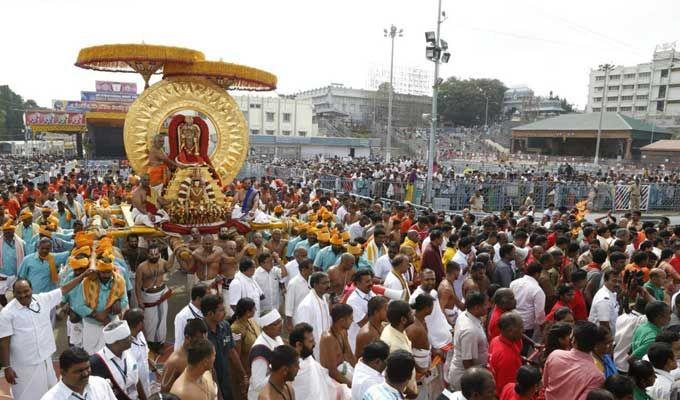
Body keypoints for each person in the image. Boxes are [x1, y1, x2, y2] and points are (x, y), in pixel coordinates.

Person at [0, 272, 93, 400]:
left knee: (52, 394)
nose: (23, 295)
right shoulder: (7, 313)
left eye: (26, 291)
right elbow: (4, 342)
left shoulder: (43, 299)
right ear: (13, 293)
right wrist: (7, 367)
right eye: (18, 293)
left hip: (45, 359)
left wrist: (83, 275)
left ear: (31, 290)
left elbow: (64, 289)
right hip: (24, 365)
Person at [72, 258, 128, 355]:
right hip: (92, 325)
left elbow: (124, 300)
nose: (106, 275)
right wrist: (96, 315)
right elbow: (78, 306)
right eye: (103, 272)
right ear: (98, 271)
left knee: (113, 352)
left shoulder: (119, 281)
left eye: (108, 272)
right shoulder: (86, 283)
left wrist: (112, 307)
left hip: (111, 321)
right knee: (92, 354)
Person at [543, 321, 606, 400]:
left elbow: (545, 384)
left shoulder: (555, 355)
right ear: (595, 344)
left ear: (573, 340)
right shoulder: (598, 376)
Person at [201, 293, 248, 400]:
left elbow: (231, 351)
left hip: (226, 380)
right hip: (209, 384)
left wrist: (242, 374)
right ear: (210, 314)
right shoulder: (201, 333)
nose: (225, 312)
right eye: (221, 310)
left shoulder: (225, 326)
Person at [290, 322, 350, 400]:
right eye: (310, 341)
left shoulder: (309, 360)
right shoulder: (292, 368)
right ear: (299, 345)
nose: (314, 344)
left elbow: (325, 383)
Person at [410, 269, 454, 374]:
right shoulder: (415, 299)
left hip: (446, 339)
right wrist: (433, 348)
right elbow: (419, 326)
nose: (430, 282)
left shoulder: (434, 292)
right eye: (427, 279)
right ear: (420, 279)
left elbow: (439, 314)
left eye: (433, 279)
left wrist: (449, 328)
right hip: (435, 346)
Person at [89, 320, 145, 400]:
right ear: (115, 342)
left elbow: (137, 380)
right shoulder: (96, 363)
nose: (131, 340)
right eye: (127, 338)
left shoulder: (129, 351)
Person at [447, 291, 489, 391]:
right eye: (485, 305)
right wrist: (475, 385)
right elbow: (467, 362)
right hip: (465, 378)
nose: (488, 306)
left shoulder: (465, 315)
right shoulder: (470, 331)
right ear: (476, 308)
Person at [135, 243, 172, 353]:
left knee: (162, 321)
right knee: (149, 322)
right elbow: (137, 285)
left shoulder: (163, 263)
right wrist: (139, 300)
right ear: (147, 254)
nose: (154, 256)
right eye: (151, 254)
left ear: (159, 254)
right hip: (148, 297)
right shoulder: (142, 267)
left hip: (161, 294)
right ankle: (150, 344)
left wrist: (174, 253)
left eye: (156, 254)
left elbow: (171, 267)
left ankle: (160, 343)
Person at [40, 346, 117, 400]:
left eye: (87, 368)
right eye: (79, 371)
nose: (85, 373)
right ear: (63, 372)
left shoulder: (100, 384)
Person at [161, 318, 209, 393]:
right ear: (187, 338)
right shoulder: (174, 362)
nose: (202, 344)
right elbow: (164, 393)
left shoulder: (199, 353)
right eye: (199, 340)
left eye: (204, 340)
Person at [293, 272, 332, 361]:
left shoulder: (324, 298)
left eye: (328, 282)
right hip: (313, 351)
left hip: (325, 346)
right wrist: (309, 354)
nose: (328, 285)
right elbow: (303, 333)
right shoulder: (306, 305)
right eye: (324, 283)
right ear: (315, 285)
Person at [247, 310, 285, 400]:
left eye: (280, 321)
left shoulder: (278, 338)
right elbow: (258, 385)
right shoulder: (260, 350)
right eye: (275, 324)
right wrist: (278, 374)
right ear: (265, 328)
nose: (280, 326)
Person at [487, 312, 523, 397]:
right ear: (510, 331)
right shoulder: (507, 358)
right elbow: (506, 388)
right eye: (520, 328)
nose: (523, 330)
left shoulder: (496, 340)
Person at [509, 262, 545, 340]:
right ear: (537, 274)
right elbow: (540, 313)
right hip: (526, 325)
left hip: (511, 321)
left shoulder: (513, 283)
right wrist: (541, 326)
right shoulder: (537, 290)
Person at [124, 308, 153, 398]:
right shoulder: (125, 345)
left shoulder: (140, 334)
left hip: (146, 381)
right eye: (142, 321)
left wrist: (154, 369)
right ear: (139, 324)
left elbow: (145, 355)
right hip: (135, 387)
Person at [174, 283, 207, 351]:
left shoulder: (206, 310)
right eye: (207, 296)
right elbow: (179, 341)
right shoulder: (182, 316)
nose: (209, 298)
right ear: (199, 298)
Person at [0, 219, 25, 306]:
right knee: (1, 296)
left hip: (16, 274)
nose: (6, 234)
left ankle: (15, 311)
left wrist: (21, 275)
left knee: (17, 295)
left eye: (9, 232)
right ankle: (6, 309)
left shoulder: (21, 243)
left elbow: (25, 259)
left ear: (13, 231)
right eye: (5, 232)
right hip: (2, 274)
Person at [589, 269, 621, 335]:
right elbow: (604, 325)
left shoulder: (611, 292)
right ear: (605, 280)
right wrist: (610, 341)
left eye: (619, 281)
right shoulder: (604, 299)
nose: (617, 284)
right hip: (602, 339)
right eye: (614, 281)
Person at [284, 259, 312, 332]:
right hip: (298, 318)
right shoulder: (293, 283)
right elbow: (289, 304)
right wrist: (289, 322)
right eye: (310, 269)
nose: (313, 271)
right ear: (303, 269)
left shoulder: (312, 280)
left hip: (310, 315)